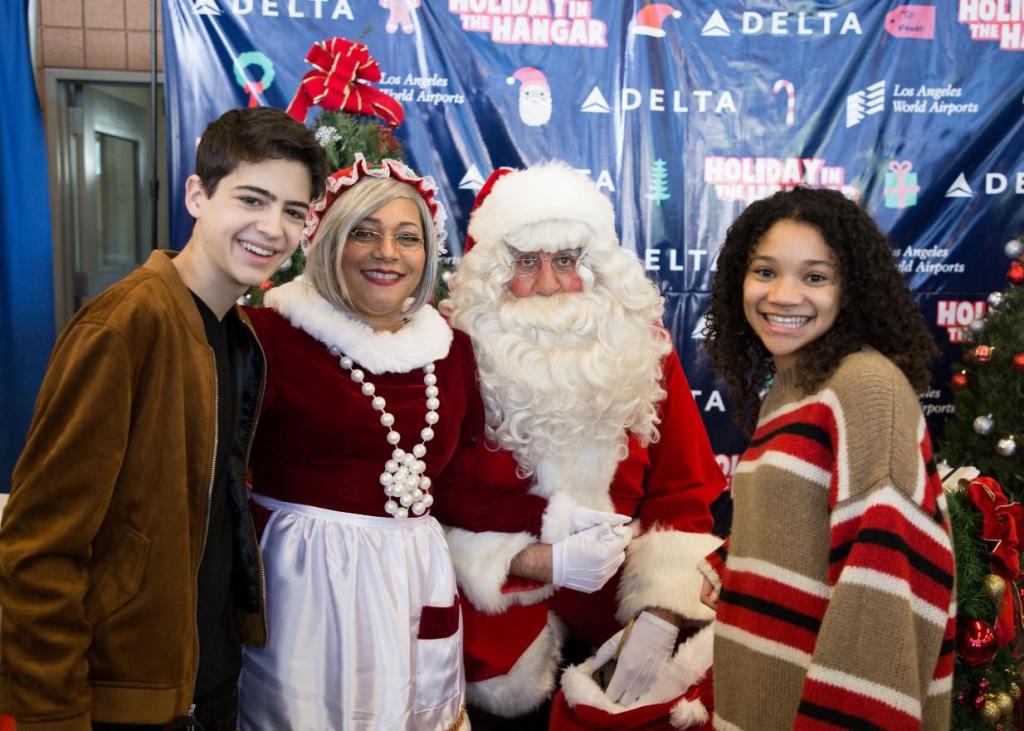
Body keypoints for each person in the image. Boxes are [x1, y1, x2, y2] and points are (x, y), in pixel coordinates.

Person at [0, 107, 327, 730]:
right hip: (121, 696)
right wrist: (55, 714)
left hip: (209, 680)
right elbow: (38, 548)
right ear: (197, 194)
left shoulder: (238, 335)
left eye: (293, 210)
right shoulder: (125, 326)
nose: (272, 228)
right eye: (251, 199)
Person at [443, 162, 726, 728]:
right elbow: (427, 500)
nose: (548, 283)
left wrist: (661, 613)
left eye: (566, 261)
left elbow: (684, 489)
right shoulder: (451, 356)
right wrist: (527, 560)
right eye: (526, 262)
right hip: (491, 640)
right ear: (495, 272)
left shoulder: (645, 355)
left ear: (596, 267)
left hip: (620, 633)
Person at [238, 155, 485, 730]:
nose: (388, 253)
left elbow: (448, 485)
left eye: (408, 237)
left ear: (428, 253)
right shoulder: (266, 337)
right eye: (364, 233)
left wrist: (556, 526)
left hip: (414, 581)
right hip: (304, 584)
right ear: (328, 241)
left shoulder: (453, 352)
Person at [699, 186, 955, 730]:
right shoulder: (795, 383)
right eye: (765, 271)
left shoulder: (864, 387)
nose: (783, 295)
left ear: (851, 291)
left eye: (814, 276)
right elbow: (807, 517)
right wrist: (733, 562)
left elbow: (883, 585)